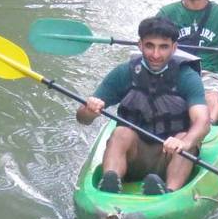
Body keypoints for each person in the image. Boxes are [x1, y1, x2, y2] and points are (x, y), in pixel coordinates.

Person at [76, 16, 209, 195]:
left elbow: (203, 122)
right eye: (149, 46)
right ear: (140, 45)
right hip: (134, 157)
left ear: (174, 47)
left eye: (163, 47)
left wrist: (183, 143)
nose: (156, 54)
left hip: (168, 157)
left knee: (187, 138)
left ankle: (169, 191)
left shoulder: (187, 76)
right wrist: (89, 110)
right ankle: (110, 183)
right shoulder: (123, 73)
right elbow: (82, 119)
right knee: (121, 132)